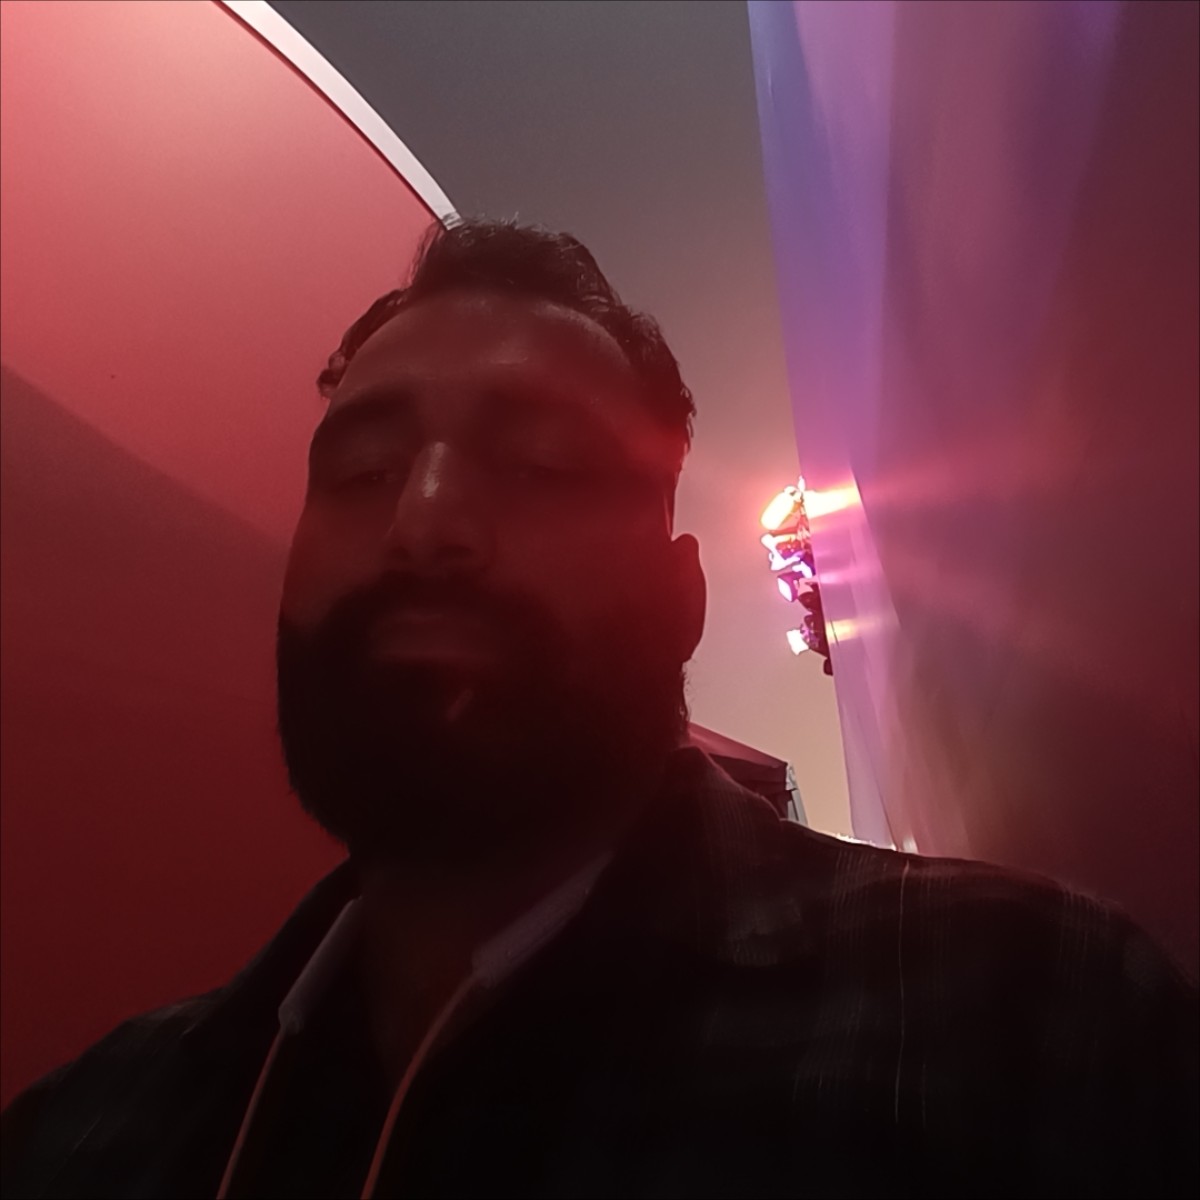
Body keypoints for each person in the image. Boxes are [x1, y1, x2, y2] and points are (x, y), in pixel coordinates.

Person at [1, 219, 1195, 1200]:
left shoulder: (1028, 1026)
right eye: (362, 472)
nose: (423, 520)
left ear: (682, 599)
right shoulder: (81, 1139)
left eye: (537, 463)